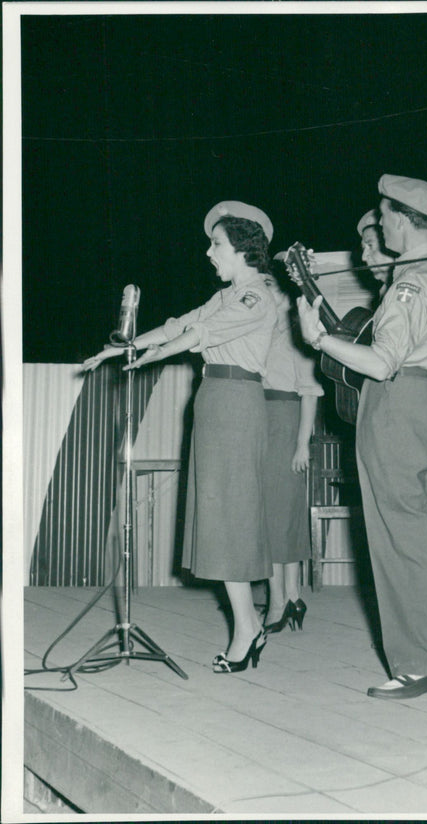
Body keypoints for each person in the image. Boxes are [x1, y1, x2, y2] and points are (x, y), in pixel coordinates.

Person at [82, 200, 278, 673]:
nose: (209, 253)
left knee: (229, 516)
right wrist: (123, 348)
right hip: (215, 400)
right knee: (218, 516)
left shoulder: (257, 295)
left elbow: (198, 335)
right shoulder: (230, 293)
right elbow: (181, 324)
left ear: (244, 250)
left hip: (236, 403)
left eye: (217, 245)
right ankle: (248, 624)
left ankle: (247, 629)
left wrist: (150, 358)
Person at [298, 174, 427, 699]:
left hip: (399, 406)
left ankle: (418, 664)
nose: (379, 223)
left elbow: (381, 360)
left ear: (399, 217)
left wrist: (319, 337)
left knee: (401, 537)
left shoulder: (409, 282)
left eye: (383, 214)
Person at [260, 274, 323, 634]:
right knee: (272, 514)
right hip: (261, 420)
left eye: (267, 286)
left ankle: (279, 601)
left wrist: (302, 443)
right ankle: (291, 595)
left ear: (283, 292)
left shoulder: (298, 332)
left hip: (286, 423)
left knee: (280, 514)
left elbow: (310, 392)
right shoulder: (263, 328)